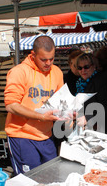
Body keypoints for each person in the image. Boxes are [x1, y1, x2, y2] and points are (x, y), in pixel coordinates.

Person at [4, 35, 64, 174]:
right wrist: (40, 116)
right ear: (33, 55)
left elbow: (62, 100)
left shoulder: (56, 72)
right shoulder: (19, 72)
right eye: (43, 59)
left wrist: (70, 113)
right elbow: (11, 105)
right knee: (28, 182)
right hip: (22, 136)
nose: (48, 63)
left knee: (51, 178)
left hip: (46, 136)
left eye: (51, 59)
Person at [75, 49, 107, 134]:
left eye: (86, 67)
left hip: (104, 127)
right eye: (79, 68)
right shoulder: (81, 83)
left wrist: (88, 118)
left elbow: (99, 106)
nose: (83, 70)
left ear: (94, 65)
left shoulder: (97, 81)